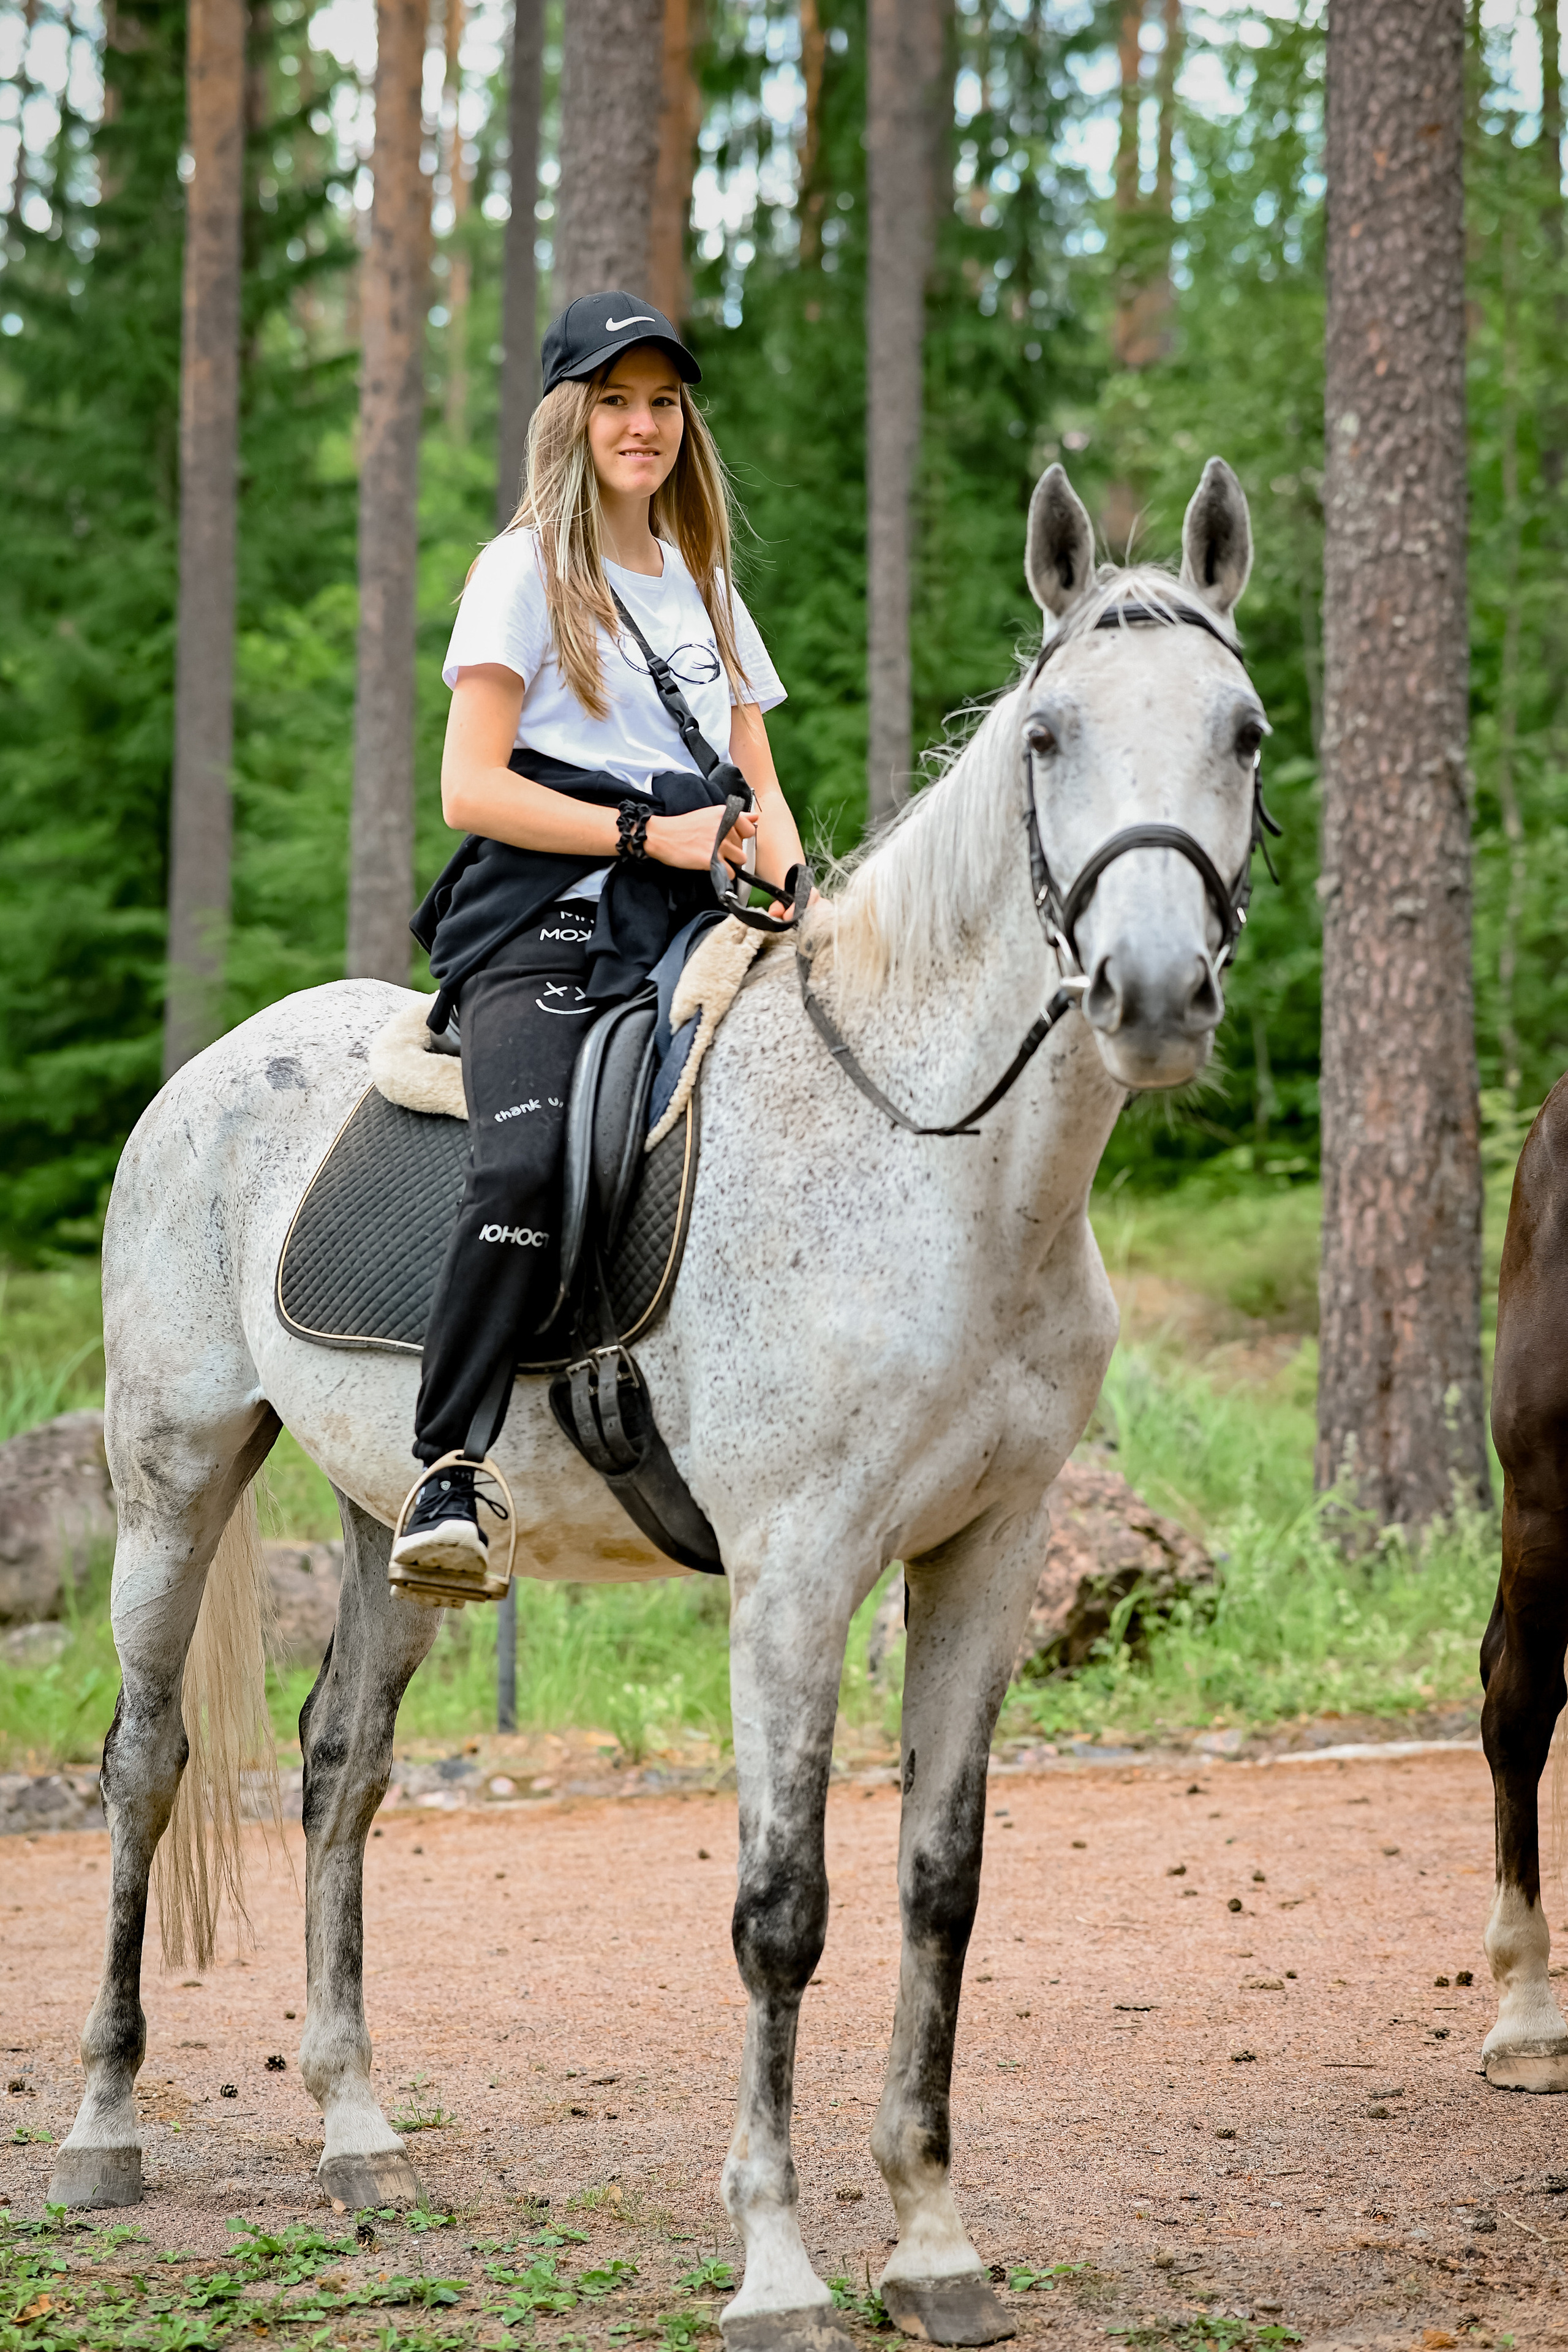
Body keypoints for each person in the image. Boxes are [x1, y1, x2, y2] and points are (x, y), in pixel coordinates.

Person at [390, 290, 805, 1583]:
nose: (643, 426)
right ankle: (448, 1473)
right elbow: (468, 790)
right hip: (551, 921)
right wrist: (643, 839)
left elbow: (761, 785)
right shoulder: (519, 573)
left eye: (663, 402)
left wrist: (798, 898)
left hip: (699, 918)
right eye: (616, 401)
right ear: (570, 418)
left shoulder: (707, 592)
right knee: (520, 1174)